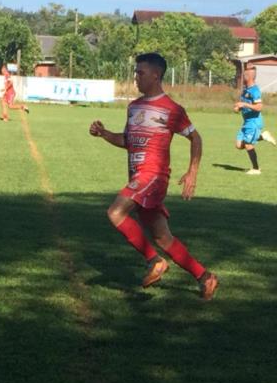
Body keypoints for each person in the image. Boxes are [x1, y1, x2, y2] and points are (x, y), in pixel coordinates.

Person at [89, 52, 218, 300]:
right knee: (163, 237)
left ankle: (154, 261)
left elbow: (195, 137)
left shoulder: (172, 109)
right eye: (136, 72)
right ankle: (205, 277)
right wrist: (104, 133)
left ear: (156, 75)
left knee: (115, 212)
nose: (136, 77)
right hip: (138, 178)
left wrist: (192, 171)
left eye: (141, 72)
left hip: (154, 176)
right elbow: (127, 140)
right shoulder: (134, 106)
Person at [234, 64, 276, 175]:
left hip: (254, 122)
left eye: (244, 75)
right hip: (246, 122)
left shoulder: (255, 90)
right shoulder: (245, 90)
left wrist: (244, 105)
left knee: (248, 144)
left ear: (249, 77)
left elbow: (259, 107)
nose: (242, 77)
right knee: (239, 145)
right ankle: (263, 136)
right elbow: (243, 104)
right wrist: (238, 107)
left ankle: (256, 169)